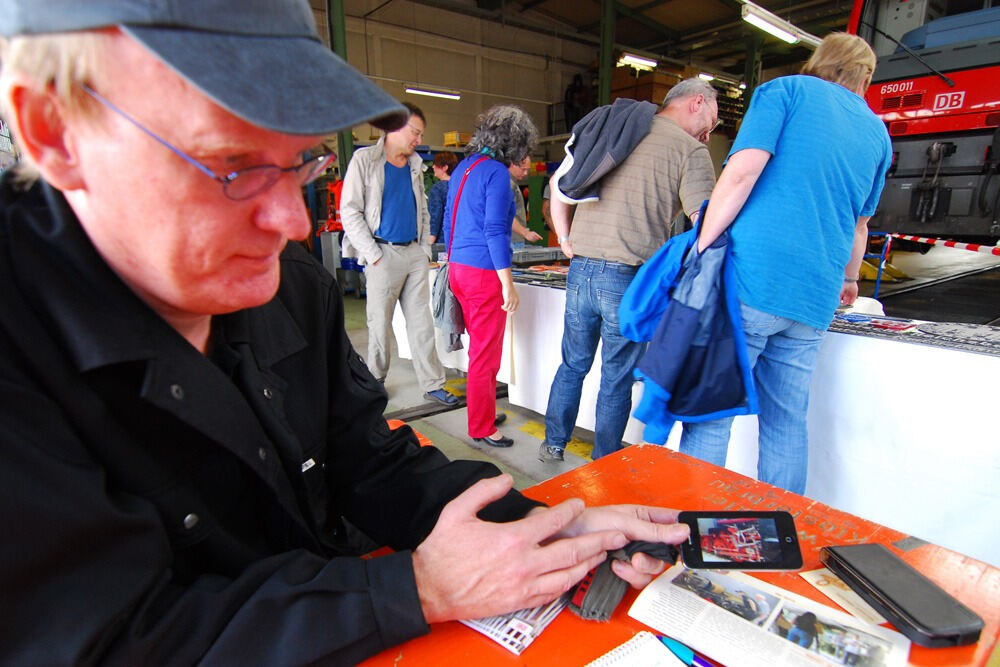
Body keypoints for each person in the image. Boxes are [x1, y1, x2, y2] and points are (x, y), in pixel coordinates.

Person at [0, 3, 694, 665]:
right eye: (234, 167)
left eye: (303, 161)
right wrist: (413, 589)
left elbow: (367, 460)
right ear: (58, 133)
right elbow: (109, 642)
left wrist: (546, 526)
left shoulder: (288, 282)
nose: (293, 221)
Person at [678, 33, 892, 494]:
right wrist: (850, 279)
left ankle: (692, 521)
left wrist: (701, 245)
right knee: (786, 421)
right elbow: (860, 226)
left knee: (712, 412)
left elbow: (742, 171)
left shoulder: (786, 92)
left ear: (821, 61)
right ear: (865, 77)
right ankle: (780, 522)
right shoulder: (878, 133)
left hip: (754, 279)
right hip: (814, 297)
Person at [539, 78, 719, 462]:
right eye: (711, 124)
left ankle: (553, 444)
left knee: (573, 364)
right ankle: (604, 461)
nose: (708, 134)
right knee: (616, 377)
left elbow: (559, 184)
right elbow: (707, 223)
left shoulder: (616, 127)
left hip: (581, 268)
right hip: (627, 276)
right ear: (697, 101)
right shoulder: (689, 150)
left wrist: (566, 239)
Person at [341, 101, 457, 404]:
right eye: (414, 132)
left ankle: (433, 384)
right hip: (383, 253)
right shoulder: (365, 160)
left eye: (420, 134)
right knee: (379, 324)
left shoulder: (416, 166)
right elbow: (349, 211)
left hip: (414, 255)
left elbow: (423, 213)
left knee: (422, 324)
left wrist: (423, 250)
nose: (418, 140)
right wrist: (373, 253)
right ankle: (375, 382)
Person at [444, 105, 536, 447]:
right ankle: (481, 427)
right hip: (483, 273)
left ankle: (480, 410)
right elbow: (495, 230)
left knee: (478, 351)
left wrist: (451, 260)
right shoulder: (497, 174)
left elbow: (449, 219)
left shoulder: (466, 167)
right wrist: (508, 284)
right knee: (485, 353)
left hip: (459, 268)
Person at [509, 155, 543, 246]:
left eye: (527, 170)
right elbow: (504, 214)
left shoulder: (512, 183)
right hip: (511, 240)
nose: (526, 173)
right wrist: (525, 233)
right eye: (523, 169)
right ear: (513, 164)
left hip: (514, 239)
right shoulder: (508, 184)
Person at [427, 150, 458, 244]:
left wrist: (430, 240)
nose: (433, 167)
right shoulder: (462, 187)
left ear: (445, 167)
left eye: (436, 165)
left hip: (442, 239)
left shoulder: (437, 188)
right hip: (460, 238)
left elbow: (435, 216)